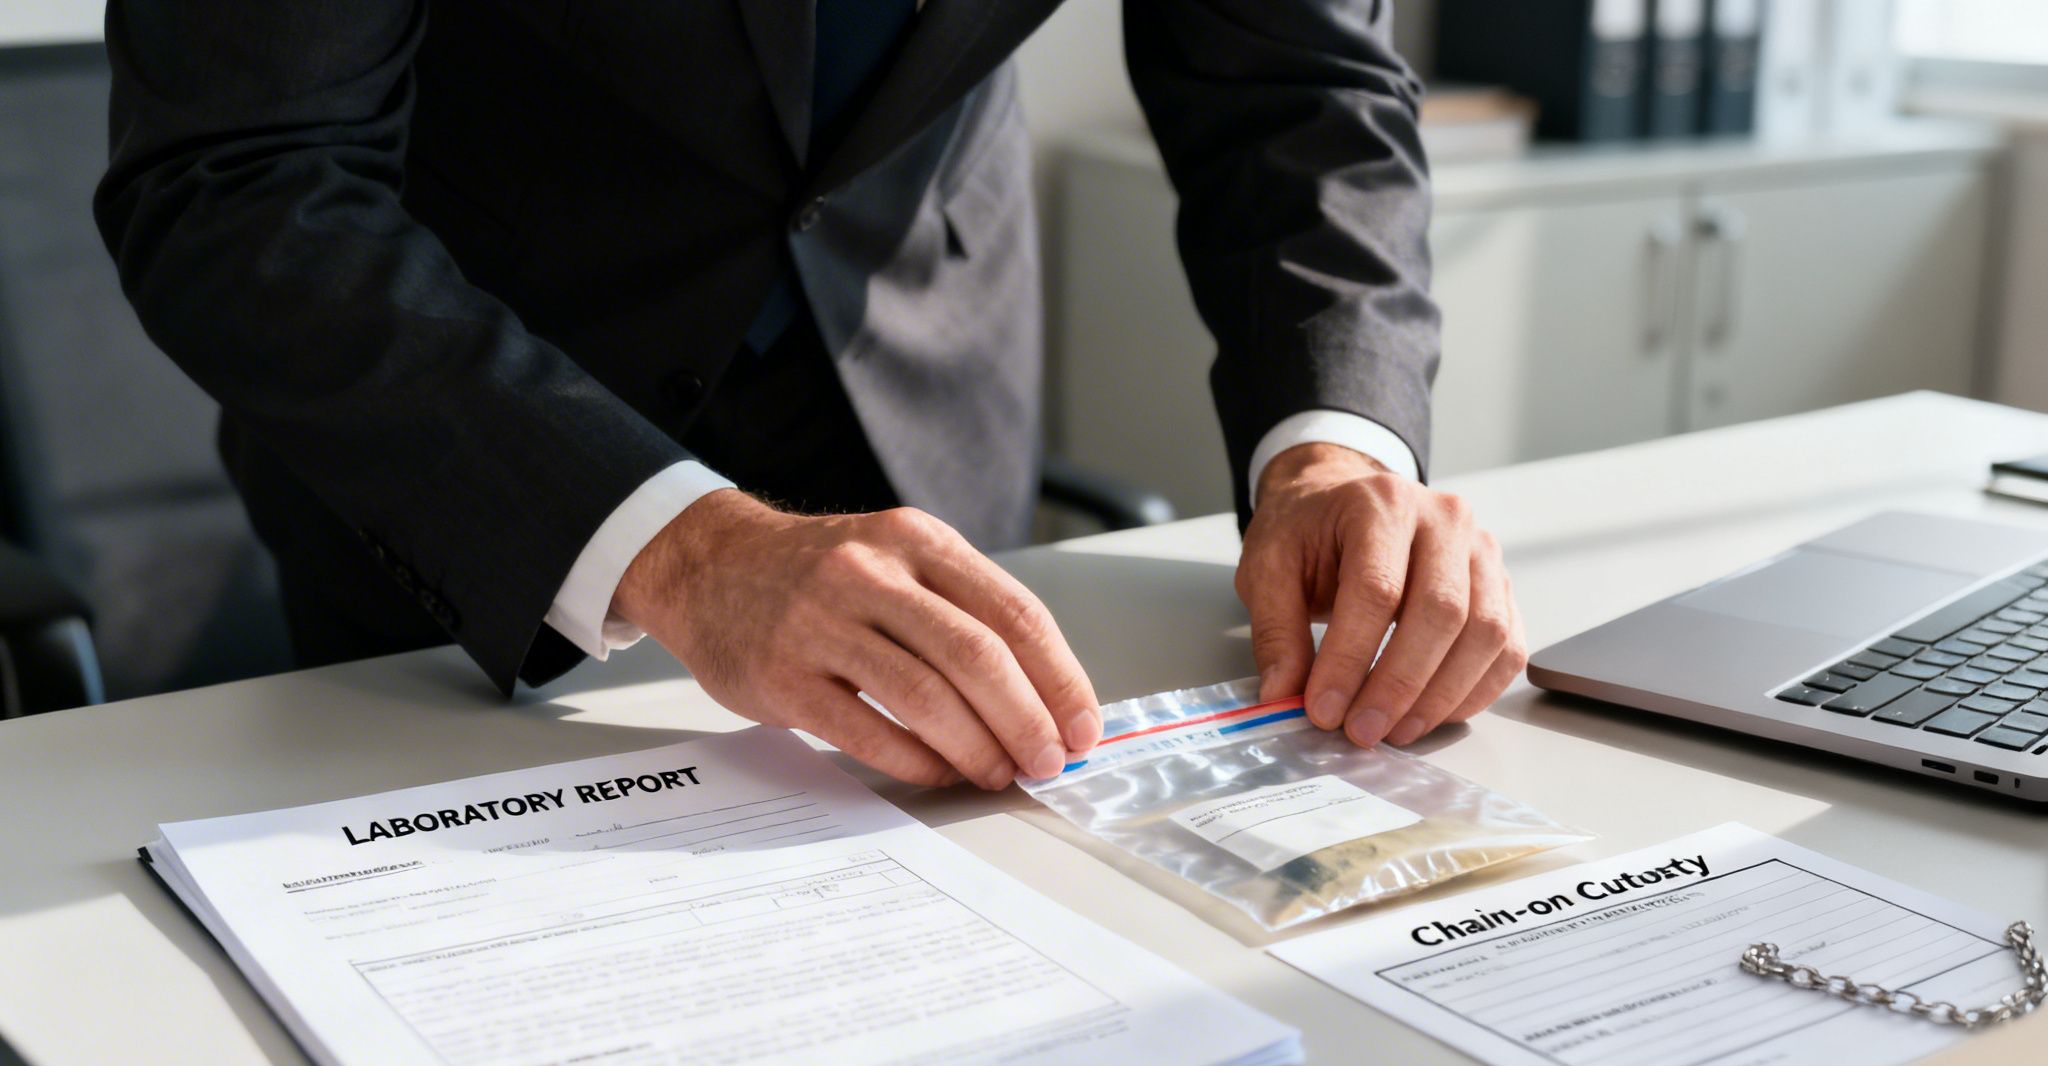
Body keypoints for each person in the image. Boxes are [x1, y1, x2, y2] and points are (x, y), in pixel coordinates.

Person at [95, 0, 1525, 791]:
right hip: (482, 479)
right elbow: (239, 179)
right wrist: (680, 548)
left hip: (930, 409)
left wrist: (1335, 448)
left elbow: (1300, 89)